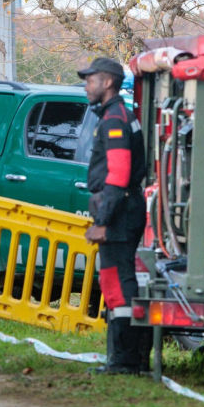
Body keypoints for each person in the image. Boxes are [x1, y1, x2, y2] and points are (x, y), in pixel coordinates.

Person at [78, 57, 151, 375]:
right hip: (123, 208)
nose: (86, 86)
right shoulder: (117, 113)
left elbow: (118, 175)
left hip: (119, 212)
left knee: (118, 284)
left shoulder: (114, 119)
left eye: (90, 80)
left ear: (107, 82)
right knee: (117, 281)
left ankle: (125, 361)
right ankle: (126, 358)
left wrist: (103, 222)